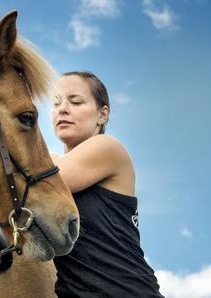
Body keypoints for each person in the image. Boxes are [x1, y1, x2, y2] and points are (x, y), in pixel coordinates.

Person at [50, 71, 162, 297]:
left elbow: (42, 181)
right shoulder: (51, 161)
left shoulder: (108, 148)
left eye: (76, 101)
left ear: (103, 115)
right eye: (56, 103)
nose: (63, 109)